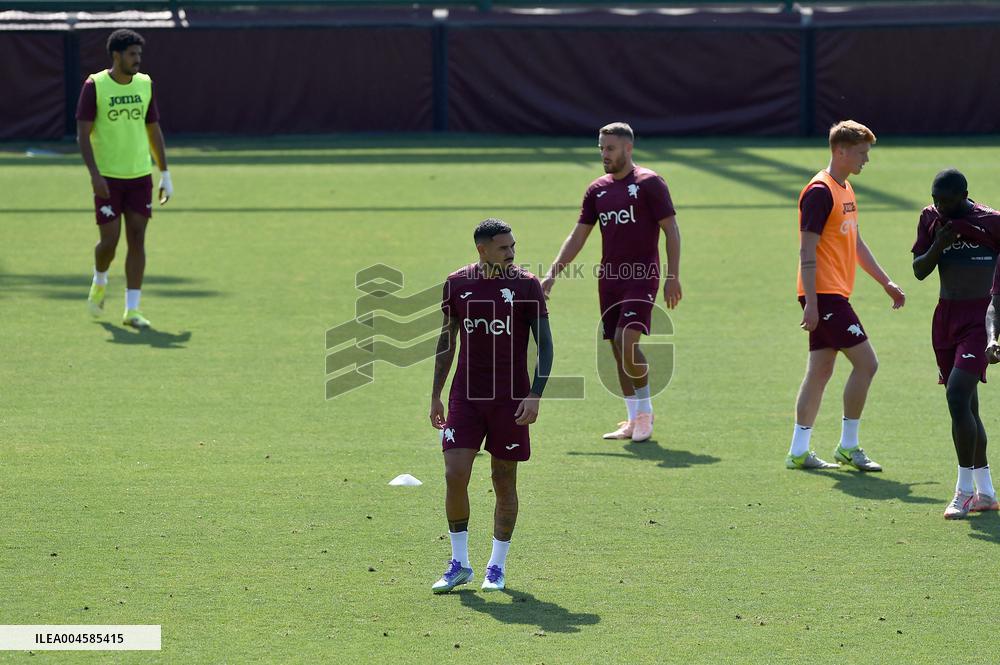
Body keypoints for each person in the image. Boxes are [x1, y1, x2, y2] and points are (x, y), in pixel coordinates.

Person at [429, 218, 553, 593]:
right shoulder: (458, 283)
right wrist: (436, 393)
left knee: (503, 479)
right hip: (465, 396)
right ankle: (459, 562)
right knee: (455, 474)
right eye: (504, 247)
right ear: (482, 249)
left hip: (511, 400)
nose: (512, 253)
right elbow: (447, 339)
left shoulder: (527, 285)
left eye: (514, 245)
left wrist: (535, 394)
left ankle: (496, 567)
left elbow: (545, 345)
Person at [540, 122, 680, 443]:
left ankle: (645, 414)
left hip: (642, 276)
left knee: (626, 341)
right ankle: (631, 419)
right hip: (610, 279)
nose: (604, 154)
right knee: (616, 348)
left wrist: (673, 275)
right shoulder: (597, 190)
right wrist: (551, 275)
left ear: (628, 149)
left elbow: (671, 229)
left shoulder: (649, 183)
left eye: (610, 148)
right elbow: (578, 236)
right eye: (601, 148)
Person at [786, 120, 905, 471]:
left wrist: (885, 281)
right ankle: (849, 446)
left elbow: (854, 242)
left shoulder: (845, 189)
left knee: (820, 370)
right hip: (824, 295)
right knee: (867, 364)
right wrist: (811, 301)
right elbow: (806, 251)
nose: (866, 159)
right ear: (840, 151)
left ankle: (798, 451)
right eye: (861, 152)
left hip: (831, 293)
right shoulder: (820, 192)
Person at [915, 169, 1000, 517]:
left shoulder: (992, 222)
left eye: (947, 201)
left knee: (956, 395)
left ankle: (963, 490)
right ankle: (987, 493)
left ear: (965, 195)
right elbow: (920, 270)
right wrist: (939, 244)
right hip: (945, 318)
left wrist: (996, 332)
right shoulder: (931, 218)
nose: (940, 206)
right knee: (968, 408)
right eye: (936, 199)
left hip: (979, 319)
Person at [77, 28, 173, 330]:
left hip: (139, 176)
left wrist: (165, 173)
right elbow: (82, 134)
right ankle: (100, 279)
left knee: (138, 237)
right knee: (110, 241)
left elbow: (153, 129)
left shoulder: (145, 84)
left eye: (139, 54)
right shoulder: (95, 85)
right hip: (108, 177)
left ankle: (132, 310)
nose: (137, 60)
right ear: (116, 56)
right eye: (132, 54)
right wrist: (94, 175)